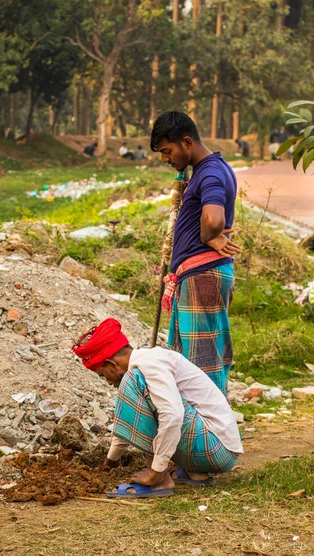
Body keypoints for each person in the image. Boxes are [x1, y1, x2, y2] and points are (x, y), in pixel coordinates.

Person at [72, 318, 243, 499]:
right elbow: (132, 414)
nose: (106, 381)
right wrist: (110, 460)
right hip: (217, 450)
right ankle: (195, 472)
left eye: (102, 375)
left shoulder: (146, 366)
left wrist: (156, 472)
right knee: (136, 387)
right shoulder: (148, 360)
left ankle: (160, 482)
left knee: (133, 382)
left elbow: (173, 416)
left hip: (214, 448)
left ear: (112, 363)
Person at [150, 111, 241, 395]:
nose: (166, 159)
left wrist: (209, 237)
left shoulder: (211, 172)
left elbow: (214, 219)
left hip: (202, 277)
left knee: (202, 369)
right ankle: (201, 432)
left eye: (168, 151)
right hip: (198, 277)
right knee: (190, 365)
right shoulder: (208, 169)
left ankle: (213, 434)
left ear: (187, 142)